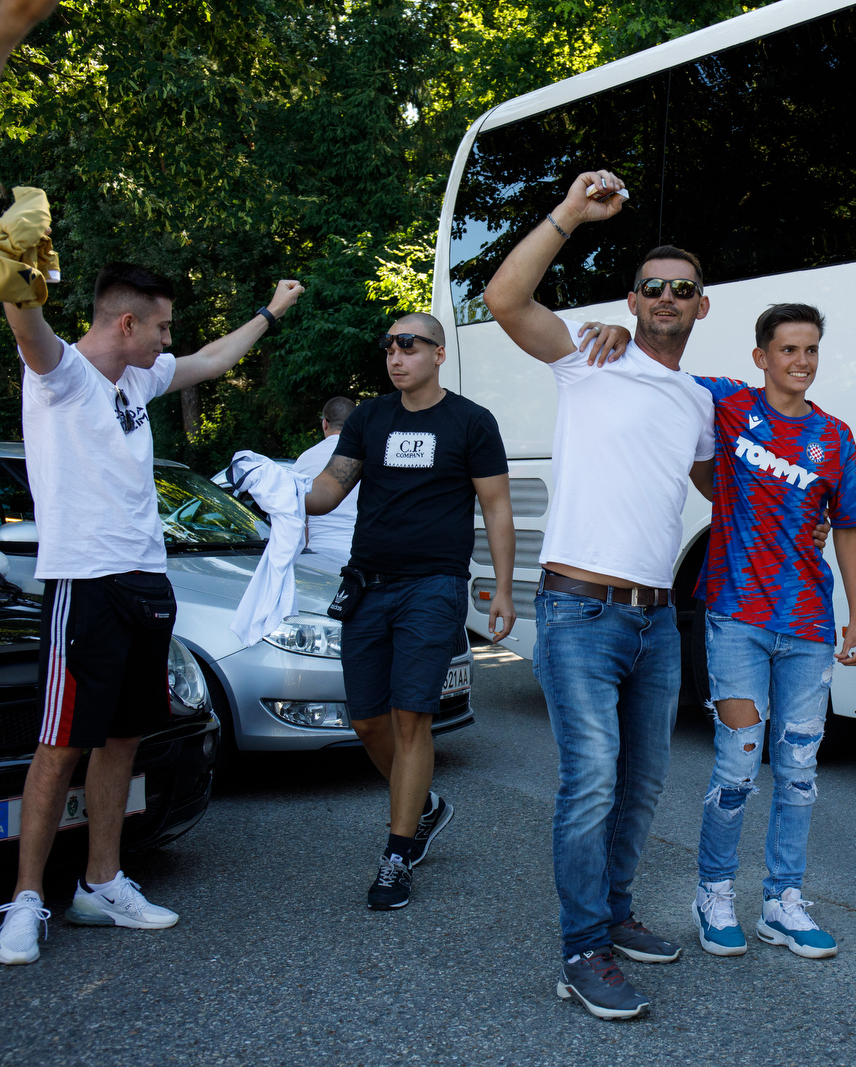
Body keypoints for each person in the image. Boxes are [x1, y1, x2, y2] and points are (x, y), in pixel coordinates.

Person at [0, 263, 304, 966]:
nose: (171, 338)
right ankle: (23, 900)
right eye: (162, 325)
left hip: (146, 583)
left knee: (125, 738)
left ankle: (101, 883)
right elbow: (27, 324)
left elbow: (214, 358)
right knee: (60, 745)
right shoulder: (61, 374)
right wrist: (19, 275)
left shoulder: (138, 378)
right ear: (126, 324)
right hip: (87, 586)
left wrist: (272, 308)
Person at [481, 169, 714, 1021]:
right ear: (633, 297)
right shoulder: (588, 356)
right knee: (593, 778)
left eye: (681, 290)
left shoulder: (699, 400)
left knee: (645, 782)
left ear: (701, 307)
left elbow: (725, 490)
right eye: (651, 286)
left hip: (658, 619)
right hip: (580, 609)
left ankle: (613, 915)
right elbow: (506, 298)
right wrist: (570, 214)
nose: (664, 298)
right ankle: (581, 949)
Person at [302, 311, 517, 912]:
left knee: (409, 717)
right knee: (367, 721)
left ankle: (397, 854)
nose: (396, 356)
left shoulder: (471, 421)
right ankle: (423, 806)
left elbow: (497, 508)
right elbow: (327, 490)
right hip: (367, 586)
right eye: (389, 346)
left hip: (434, 587)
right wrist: (281, 490)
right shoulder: (369, 418)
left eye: (409, 345)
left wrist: (501, 589)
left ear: (438, 354)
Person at [686, 303, 856, 962]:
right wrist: (621, 333)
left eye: (811, 350)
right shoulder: (730, 404)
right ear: (761, 355)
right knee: (738, 761)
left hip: (809, 627)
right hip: (736, 616)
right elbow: (661, 367)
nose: (801, 361)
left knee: (797, 770)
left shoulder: (834, 436)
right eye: (788, 349)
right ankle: (713, 892)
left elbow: (846, 526)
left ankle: (781, 903)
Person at [293, 396, 358, 573]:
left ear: (325, 424)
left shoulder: (305, 459)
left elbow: (298, 517)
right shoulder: (368, 457)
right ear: (356, 422)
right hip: (361, 557)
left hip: (316, 556)